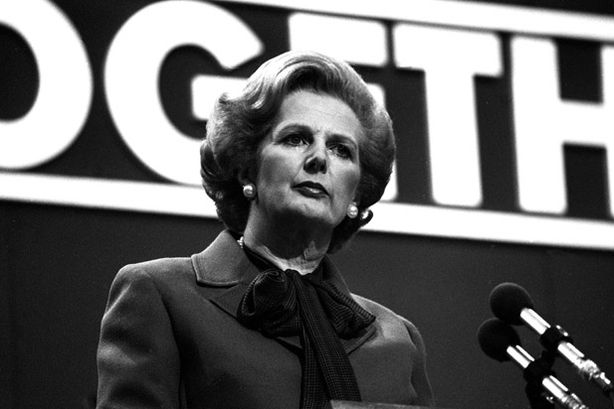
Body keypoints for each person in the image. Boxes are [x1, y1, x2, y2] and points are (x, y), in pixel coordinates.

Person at [96, 50, 434, 409]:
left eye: (341, 150)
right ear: (246, 167)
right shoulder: (162, 295)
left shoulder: (400, 341)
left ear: (357, 193)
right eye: (296, 138)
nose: (319, 158)